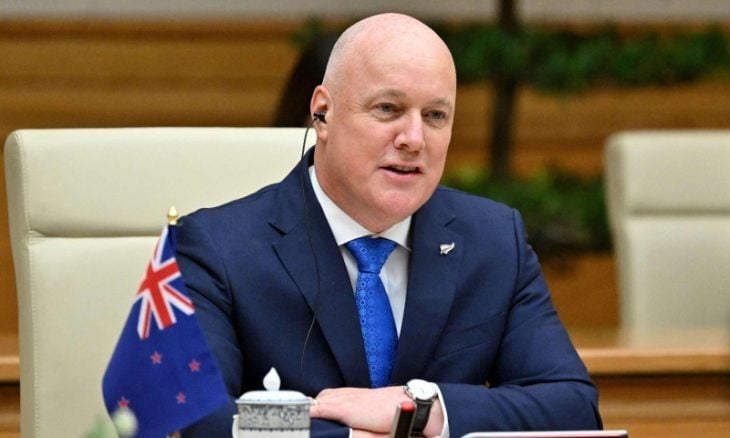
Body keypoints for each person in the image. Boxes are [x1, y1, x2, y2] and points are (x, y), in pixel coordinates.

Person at [176, 13, 602, 438]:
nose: (413, 138)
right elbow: (203, 420)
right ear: (322, 112)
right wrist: (354, 436)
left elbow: (571, 406)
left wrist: (423, 409)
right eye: (388, 109)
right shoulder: (218, 247)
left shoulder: (492, 239)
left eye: (435, 115)